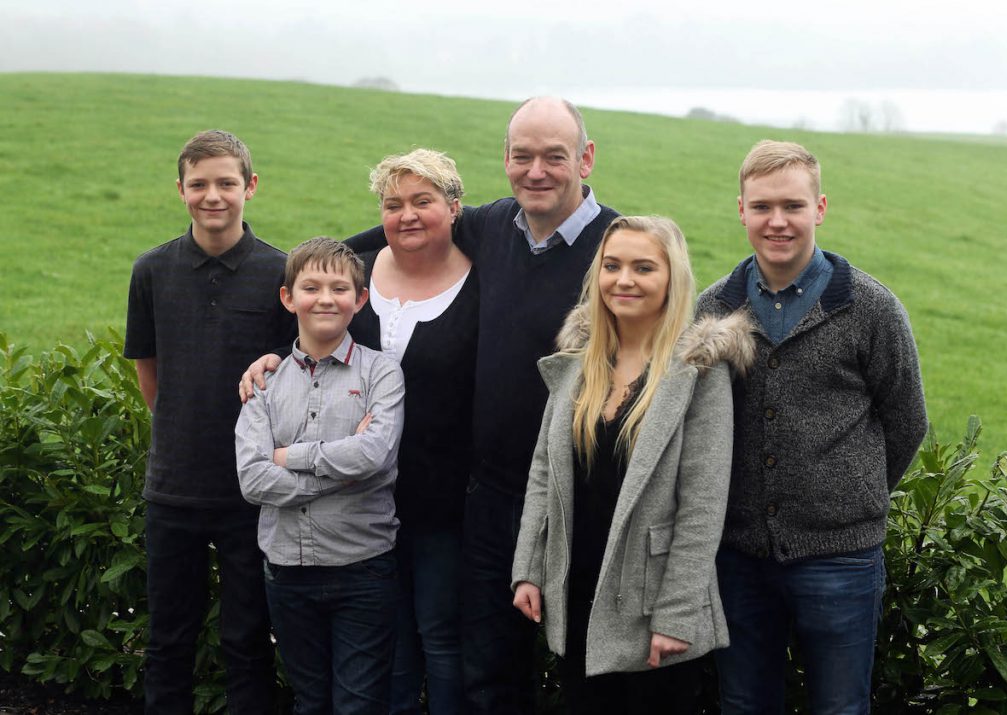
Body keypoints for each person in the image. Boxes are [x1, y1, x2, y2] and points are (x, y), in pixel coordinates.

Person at [242, 97, 620, 714]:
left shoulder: (616, 243)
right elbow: (403, 229)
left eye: (555, 156)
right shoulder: (498, 225)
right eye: (522, 156)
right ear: (505, 160)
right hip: (490, 493)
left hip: (579, 486)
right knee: (486, 660)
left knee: (587, 655)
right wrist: (314, 279)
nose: (537, 171)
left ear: (586, 157)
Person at [695, 140, 928, 714]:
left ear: (819, 208)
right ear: (741, 210)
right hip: (739, 555)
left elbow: (906, 420)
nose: (778, 221)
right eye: (763, 206)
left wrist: (851, 493)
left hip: (842, 558)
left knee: (840, 708)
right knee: (745, 704)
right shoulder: (713, 310)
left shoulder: (871, 308)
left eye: (793, 206)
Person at [511, 215, 753, 714]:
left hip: (652, 604)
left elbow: (702, 507)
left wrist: (677, 615)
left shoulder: (698, 372)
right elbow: (544, 473)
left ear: (672, 279)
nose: (624, 280)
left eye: (644, 267)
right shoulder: (580, 361)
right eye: (612, 265)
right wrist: (529, 568)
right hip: (578, 589)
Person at [124, 129, 294, 713]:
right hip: (171, 490)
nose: (212, 195)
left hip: (251, 492)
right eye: (198, 184)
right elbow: (150, 373)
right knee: (168, 639)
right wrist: (180, 425)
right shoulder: (151, 271)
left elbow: (290, 382)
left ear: (251, 187)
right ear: (180, 190)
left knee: (247, 640)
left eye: (226, 183)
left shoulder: (280, 274)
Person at [235, 237, 405, 714]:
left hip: (363, 568)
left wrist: (288, 457)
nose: (326, 298)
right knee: (310, 702)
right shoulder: (263, 381)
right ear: (289, 298)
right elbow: (253, 480)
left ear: (361, 299)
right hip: (288, 572)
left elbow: (374, 456)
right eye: (311, 287)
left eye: (339, 288)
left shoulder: (382, 374)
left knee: (358, 704)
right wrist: (342, 468)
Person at [355, 149, 477, 714]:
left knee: (443, 637)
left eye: (422, 201)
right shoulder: (353, 272)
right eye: (393, 203)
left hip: (445, 504)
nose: (407, 214)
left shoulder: (482, 285)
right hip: (361, 501)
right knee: (391, 641)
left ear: (454, 208)